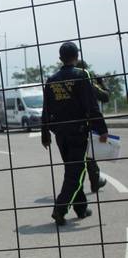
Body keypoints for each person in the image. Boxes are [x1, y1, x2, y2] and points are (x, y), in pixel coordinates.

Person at [41, 41, 108, 226]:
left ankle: (80, 209)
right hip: (78, 132)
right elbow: (91, 105)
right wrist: (101, 129)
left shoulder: (51, 80)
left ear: (60, 58)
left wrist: (45, 135)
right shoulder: (82, 75)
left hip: (60, 134)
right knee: (75, 173)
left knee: (73, 171)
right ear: (77, 57)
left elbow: (45, 109)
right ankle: (60, 209)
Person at [78, 60, 109, 193]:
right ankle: (94, 182)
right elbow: (105, 96)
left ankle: (94, 182)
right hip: (87, 125)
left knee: (83, 156)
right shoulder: (87, 83)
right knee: (89, 155)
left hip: (70, 127)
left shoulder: (64, 84)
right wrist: (101, 82)